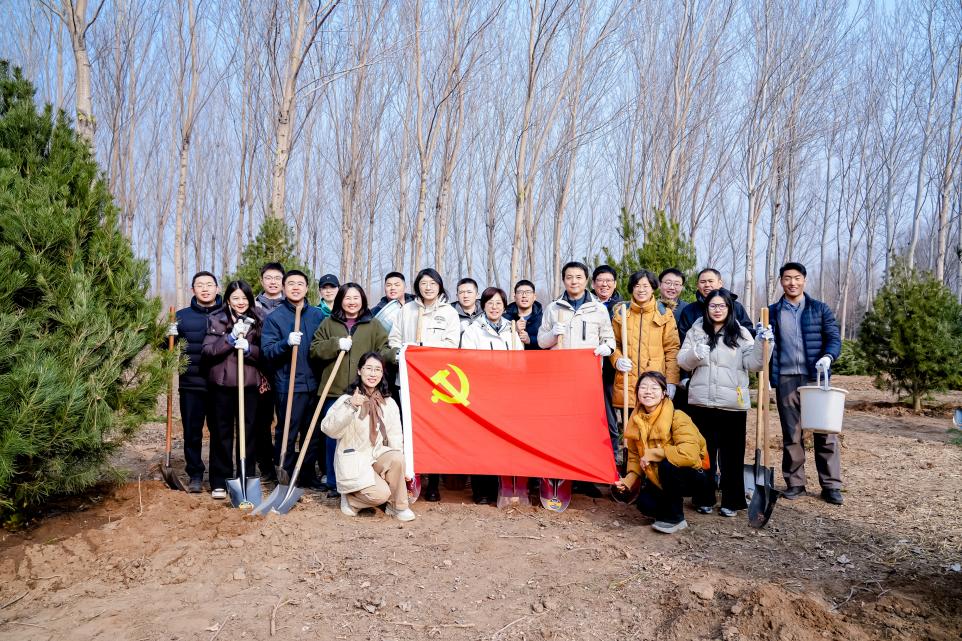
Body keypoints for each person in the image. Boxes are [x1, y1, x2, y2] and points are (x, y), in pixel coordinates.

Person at [677, 288, 771, 516]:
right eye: (713, 306)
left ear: (729, 308)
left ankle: (732, 500)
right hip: (702, 403)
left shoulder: (740, 333)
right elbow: (683, 362)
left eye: (722, 306)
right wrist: (695, 353)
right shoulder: (697, 330)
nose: (717, 310)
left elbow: (755, 364)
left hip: (732, 405)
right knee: (704, 453)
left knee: (732, 456)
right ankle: (704, 497)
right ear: (706, 308)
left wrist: (763, 344)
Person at [537, 261, 615, 497]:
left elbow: (609, 339)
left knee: (586, 429)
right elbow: (541, 342)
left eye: (579, 277)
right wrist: (553, 335)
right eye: (569, 277)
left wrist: (607, 348)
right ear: (564, 280)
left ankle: (585, 478)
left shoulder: (598, 309)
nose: (574, 281)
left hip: (587, 380)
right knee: (561, 428)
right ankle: (559, 474)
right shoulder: (553, 308)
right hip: (559, 379)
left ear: (586, 280)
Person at [310, 283, 395, 499]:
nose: (352, 302)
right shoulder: (329, 323)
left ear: (362, 300)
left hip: (363, 391)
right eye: (347, 298)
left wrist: (396, 355)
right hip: (334, 390)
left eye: (356, 298)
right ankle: (333, 482)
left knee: (359, 438)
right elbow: (314, 350)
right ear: (340, 300)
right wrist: (335, 344)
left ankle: (359, 480)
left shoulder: (372, 325)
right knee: (333, 437)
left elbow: (383, 349)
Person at [768, 262, 843, 504]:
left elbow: (834, 338)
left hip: (816, 378)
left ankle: (831, 485)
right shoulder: (771, 312)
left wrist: (828, 356)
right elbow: (764, 346)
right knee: (792, 433)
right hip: (787, 379)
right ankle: (795, 483)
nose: (792, 282)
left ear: (804, 280)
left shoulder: (819, 309)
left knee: (825, 432)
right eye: (787, 278)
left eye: (797, 278)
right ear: (781, 281)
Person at [388, 268, 460, 501]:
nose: (428, 287)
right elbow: (394, 339)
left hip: (436, 383)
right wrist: (403, 352)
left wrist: (425, 350)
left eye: (433, 283)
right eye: (424, 283)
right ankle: (411, 478)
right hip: (408, 380)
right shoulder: (406, 310)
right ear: (417, 286)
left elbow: (452, 344)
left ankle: (433, 483)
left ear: (440, 286)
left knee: (434, 431)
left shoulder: (448, 313)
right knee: (408, 429)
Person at [321, 352, 415, 522]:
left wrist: (402, 470)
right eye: (368, 368)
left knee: (397, 458)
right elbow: (329, 429)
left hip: (376, 455)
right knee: (381, 495)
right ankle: (350, 499)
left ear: (382, 373)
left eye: (377, 370)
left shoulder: (389, 403)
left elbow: (395, 437)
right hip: (355, 459)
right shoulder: (346, 399)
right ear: (359, 371)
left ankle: (398, 506)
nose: (373, 374)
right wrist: (351, 406)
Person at [614, 371, 709, 534]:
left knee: (667, 464)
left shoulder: (678, 417)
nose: (648, 392)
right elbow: (635, 456)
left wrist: (653, 454)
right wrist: (628, 480)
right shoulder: (636, 420)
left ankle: (676, 518)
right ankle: (666, 507)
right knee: (645, 505)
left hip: (692, 476)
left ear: (664, 393)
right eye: (643, 387)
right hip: (658, 476)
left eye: (654, 388)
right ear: (637, 392)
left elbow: (689, 454)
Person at [261, 270, 326, 489]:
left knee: (311, 433)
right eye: (291, 283)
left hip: (313, 384)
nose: (296, 287)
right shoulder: (275, 318)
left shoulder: (317, 316)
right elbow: (267, 352)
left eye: (300, 283)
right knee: (287, 432)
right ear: (284, 288)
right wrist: (285, 343)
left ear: (307, 288)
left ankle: (307, 474)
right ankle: (285, 473)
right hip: (288, 384)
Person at [201, 281, 266, 499]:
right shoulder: (217, 319)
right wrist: (228, 339)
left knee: (248, 433)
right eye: (235, 298)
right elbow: (208, 351)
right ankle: (220, 480)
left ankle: (246, 477)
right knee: (221, 433)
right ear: (228, 299)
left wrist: (249, 349)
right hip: (222, 385)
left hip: (249, 385)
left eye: (244, 298)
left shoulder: (259, 319)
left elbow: (266, 354)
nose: (240, 302)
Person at [459, 287, 523, 504]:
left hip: (507, 393)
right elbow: (468, 361)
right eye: (489, 303)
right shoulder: (473, 331)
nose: (494, 307)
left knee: (501, 439)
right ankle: (480, 490)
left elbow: (520, 361)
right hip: (482, 392)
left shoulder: (511, 330)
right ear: (483, 306)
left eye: (498, 304)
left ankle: (499, 487)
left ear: (504, 306)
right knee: (481, 439)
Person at [610, 270, 681, 458]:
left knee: (653, 433)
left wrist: (671, 381)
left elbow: (672, 349)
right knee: (629, 431)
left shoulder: (664, 314)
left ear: (653, 288)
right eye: (637, 286)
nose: (641, 290)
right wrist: (617, 359)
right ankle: (629, 469)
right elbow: (613, 344)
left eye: (646, 286)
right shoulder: (621, 313)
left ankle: (650, 469)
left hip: (654, 385)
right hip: (628, 382)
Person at [167, 271, 223, 493]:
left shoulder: (227, 314)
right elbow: (166, 349)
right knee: (192, 432)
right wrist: (167, 335)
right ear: (193, 290)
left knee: (220, 432)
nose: (205, 289)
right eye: (200, 285)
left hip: (220, 384)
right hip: (191, 384)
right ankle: (196, 474)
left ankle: (219, 476)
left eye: (209, 284)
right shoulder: (181, 317)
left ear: (217, 288)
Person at [253, 262, 285, 481]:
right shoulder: (253, 307)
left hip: (286, 370)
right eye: (268, 278)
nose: (273, 282)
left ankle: (283, 463)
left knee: (285, 419)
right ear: (262, 280)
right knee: (261, 421)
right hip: (260, 371)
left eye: (277, 278)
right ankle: (265, 466)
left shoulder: (291, 305)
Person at [676, 269, 754, 346]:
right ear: (697, 285)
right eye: (703, 282)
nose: (707, 285)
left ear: (720, 283)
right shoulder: (689, 310)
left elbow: (747, 333)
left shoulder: (735, 307)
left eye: (710, 281)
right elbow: (683, 339)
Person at [503, 279, 543, 350]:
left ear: (534, 297)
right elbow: (498, 341)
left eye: (528, 292)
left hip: (536, 356)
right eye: (520, 292)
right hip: (512, 356)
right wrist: (514, 330)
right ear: (515, 297)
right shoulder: (505, 318)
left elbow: (548, 342)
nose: (524, 295)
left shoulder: (543, 318)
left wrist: (530, 340)